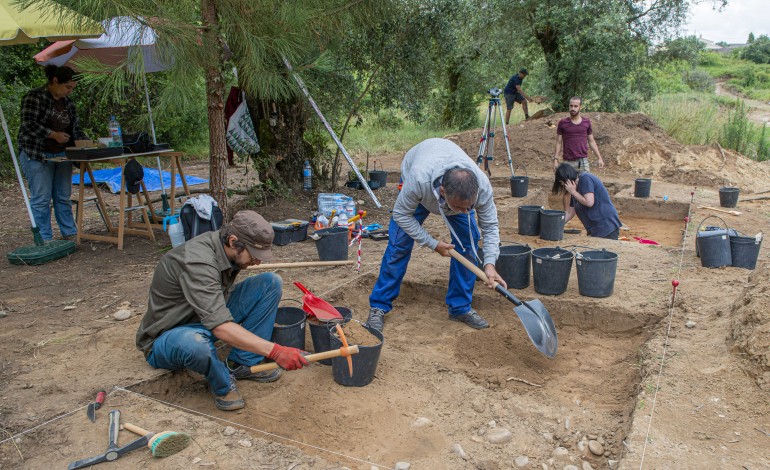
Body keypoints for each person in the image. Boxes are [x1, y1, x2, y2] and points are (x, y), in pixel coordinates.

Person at [135, 210, 308, 411]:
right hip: (169, 336)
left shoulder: (224, 249)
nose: (258, 261)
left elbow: (216, 312)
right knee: (196, 344)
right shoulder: (198, 262)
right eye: (254, 254)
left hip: (201, 316)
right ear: (234, 241)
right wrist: (276, 351)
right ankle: (223, 385)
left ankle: (242, 363)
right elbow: (220, 326)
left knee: (270, 283)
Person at [366, 138, 507, 332]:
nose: (466, 213)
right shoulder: (418, 180)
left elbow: (490, 226)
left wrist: (490, 263)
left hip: (447, 181)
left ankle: (460, 307)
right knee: (399, 244)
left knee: (468, 246)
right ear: (442, 191)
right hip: (420, 178)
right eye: (459, 207)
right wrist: (432, 243)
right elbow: (401, 215)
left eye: (470, 207)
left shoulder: (481, 187)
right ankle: (378, 306)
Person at [17, 65, 87, 242]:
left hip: (62, 155)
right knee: (41, 198)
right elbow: (28, 124)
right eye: (67, 87)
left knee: (63, 196)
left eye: (72, 88)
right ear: (55, 81)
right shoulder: (35, 97)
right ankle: (44, 240)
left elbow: (75, 128)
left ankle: (69, 233)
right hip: (37, 154)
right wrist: (53, 135)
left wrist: (86, 145)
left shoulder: (67, 103)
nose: (69, 91)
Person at [552, 163, 622, 239]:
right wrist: (556, 226)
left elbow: (589, 202)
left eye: (562, 182)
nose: (562, 185)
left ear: (566, 178)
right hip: (595, 229)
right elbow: (570, 213)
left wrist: (573, 192)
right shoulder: (575, 188)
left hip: (606, 227)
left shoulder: (586, 179)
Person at [552, 96, 604, 173]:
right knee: (568, 185)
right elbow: (558, 142)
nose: (573, 108)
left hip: (583, 162)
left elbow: (591, 141)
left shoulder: (586, 122)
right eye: (571, 106)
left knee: (584, 183)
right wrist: (555, 160)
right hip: (567, 162)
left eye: (576, 106)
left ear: (580, 107)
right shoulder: (562, 123)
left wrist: (599, 158)